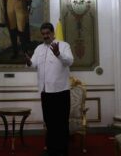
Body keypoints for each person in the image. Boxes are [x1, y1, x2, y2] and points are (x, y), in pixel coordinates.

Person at [25, 22, 74, 156]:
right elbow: (33, 64)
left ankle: (62, 151)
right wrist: (29, 62)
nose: (46, 36)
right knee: (49, 123)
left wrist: (58, 54)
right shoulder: (39, 48)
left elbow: (70, 61)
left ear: (53, 33)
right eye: (43, 34)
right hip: (46, 92)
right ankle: (51, 149)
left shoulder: (64, 45)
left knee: (62, 124)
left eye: (48, 33)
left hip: (61, 91)